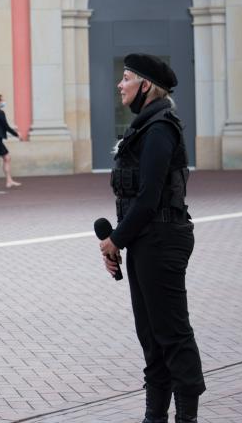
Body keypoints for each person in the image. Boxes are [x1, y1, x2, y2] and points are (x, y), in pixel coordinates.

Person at [99, 54, 204, 423]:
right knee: (151, 336)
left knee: (172, 333)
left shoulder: (160, 128)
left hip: (162, 239)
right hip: (146, 239)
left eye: (126, 78)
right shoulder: (143, 127)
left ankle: (186, 417)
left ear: (145, 85)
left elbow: (149, 195)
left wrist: (116, 240)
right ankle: (154, 416)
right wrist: (119, 239)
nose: (120, 84)